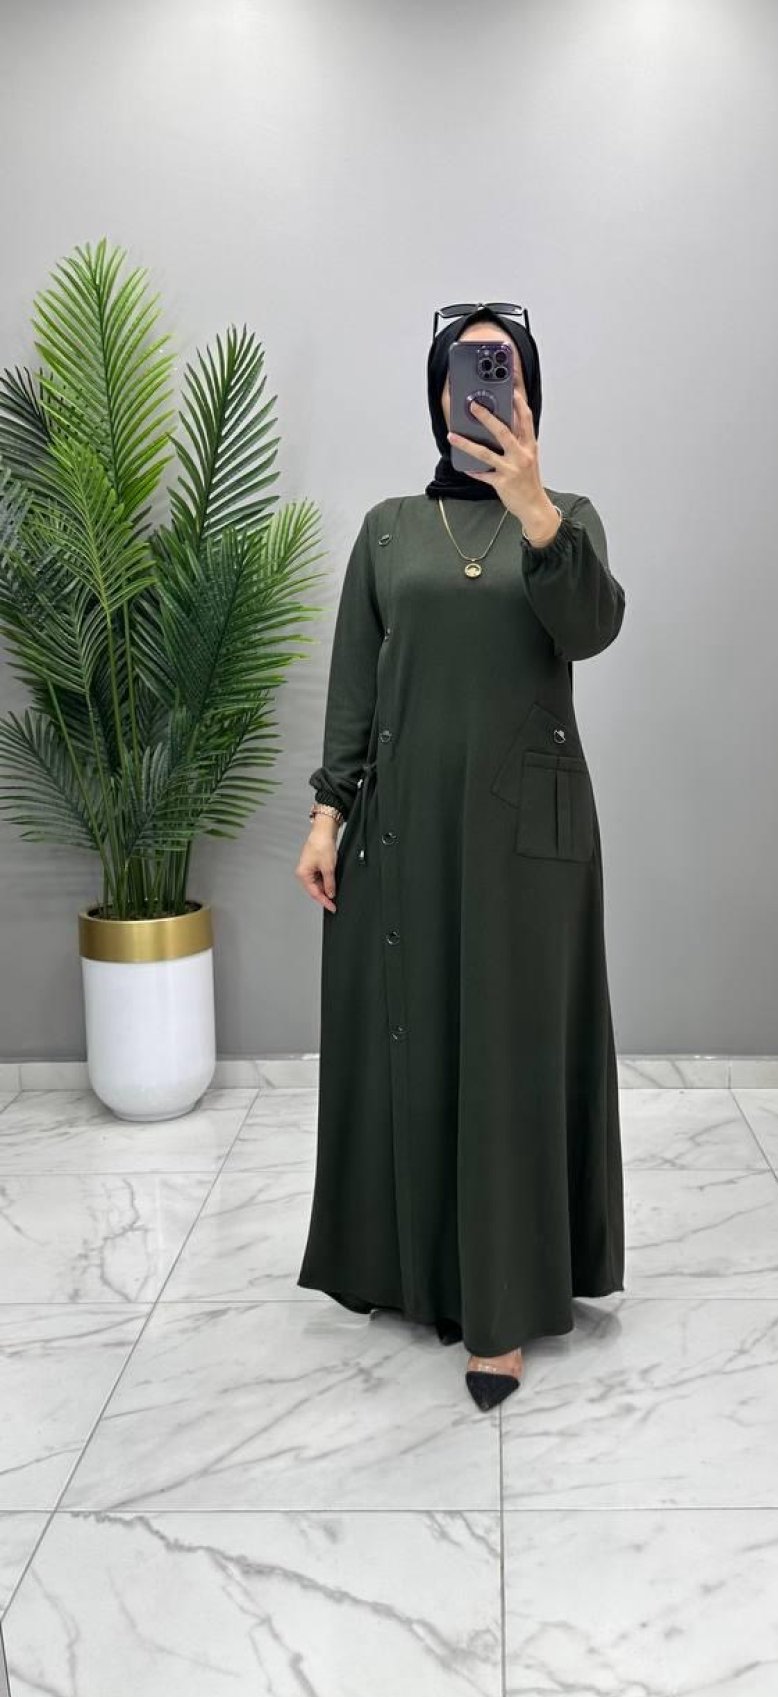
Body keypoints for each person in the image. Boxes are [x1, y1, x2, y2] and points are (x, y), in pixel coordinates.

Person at [294, 301, 626, 1410]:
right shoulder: (389, 528)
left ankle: (503, 1307)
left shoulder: (568, 517)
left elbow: (590, 628)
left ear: (529, 392)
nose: (484, 389)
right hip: (406, 824)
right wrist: (327, 816)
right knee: (417, 1033)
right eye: (465, 371)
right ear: (438, 393)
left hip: (528, 831)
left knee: (508, 1050)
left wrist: (532, 506)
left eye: (503, 369)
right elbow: (355, 678)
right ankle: (415, 1268)